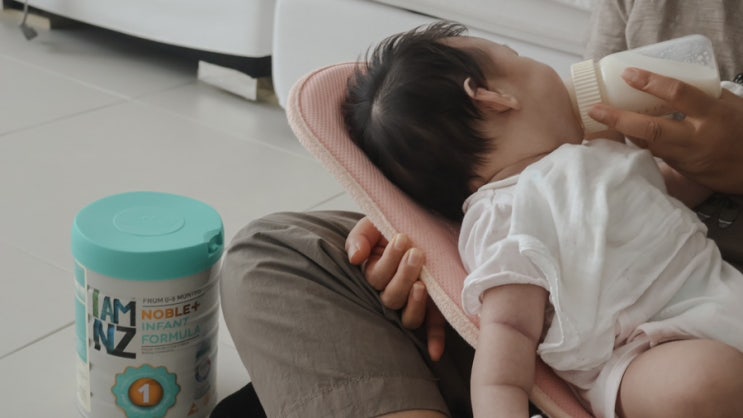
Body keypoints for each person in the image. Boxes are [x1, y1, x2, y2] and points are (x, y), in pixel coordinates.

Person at [217, 2, 743, 418]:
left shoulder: (594, 164)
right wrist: (422, 246)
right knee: (276, 252)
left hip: (719, 295)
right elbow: (507, 338)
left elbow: (658, 198)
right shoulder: (510, 216)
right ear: (493, 97)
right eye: (519, 58)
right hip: (639, 354)